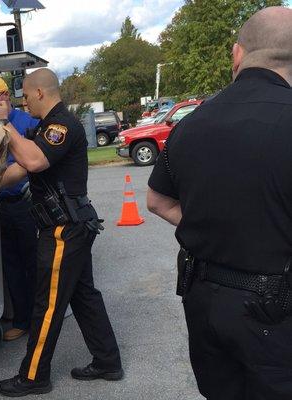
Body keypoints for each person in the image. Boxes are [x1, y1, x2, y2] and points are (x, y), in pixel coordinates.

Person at [147, 7, 292, 400]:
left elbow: (157, 201)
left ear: (237, 54)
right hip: (276, 310)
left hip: (204, 301)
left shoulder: (189, 124)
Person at [0, 68, 123, 397]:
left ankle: (34, 377)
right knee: (84, 295)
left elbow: (32, 162)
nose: (24, 102)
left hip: (63, 230)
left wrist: (4, 124)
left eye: (27, 96)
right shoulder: (48, 127)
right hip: (70, 225)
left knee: (46, 305)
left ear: (40, 93)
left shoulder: (61, 126)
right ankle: (107, 361)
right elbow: (19, 169)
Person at [0, 75, 39, 342]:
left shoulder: (28, 124)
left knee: (34, 264)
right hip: (1, 205)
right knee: (11, 265)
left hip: (27, 204)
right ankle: (22, 320)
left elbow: (31, 163)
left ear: (3, 98)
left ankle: (40, 322)